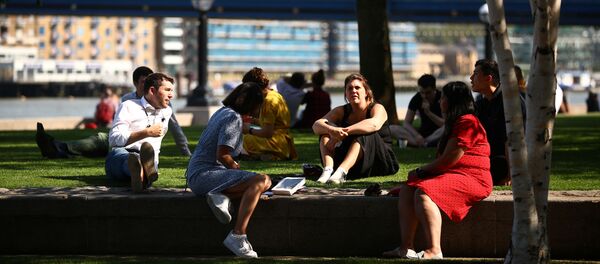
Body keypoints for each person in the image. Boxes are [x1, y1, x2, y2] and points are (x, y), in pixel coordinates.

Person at [383, 81, 492, 260]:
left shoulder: (468, 122)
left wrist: (420, 171)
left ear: (452, 102)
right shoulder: (456, 122)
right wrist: (406, 184)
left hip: (473, 178)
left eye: (443, 98)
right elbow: (444, 164)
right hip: (455, 174)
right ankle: (406, 248)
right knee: (408, 190)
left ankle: (434, 250)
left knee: (423, 193)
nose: (440, 102)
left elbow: (449, 160)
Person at [186, 82, 271, 258]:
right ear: (250, 103)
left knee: (257, 185)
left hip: (197, 175)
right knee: (263, 180)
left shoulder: (222, 112)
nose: (259, 109)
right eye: (259, 103)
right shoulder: (233, 118)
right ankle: (238, 235)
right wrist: (235, 169)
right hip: (206, 175)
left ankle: (222, 196)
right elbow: (223, 155)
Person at [35, 66, 192, 158]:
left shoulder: (163, 106)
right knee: (98, 140)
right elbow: (120, 126)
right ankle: (55, 146)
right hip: (120, 140)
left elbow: (175, 128)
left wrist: (186, 153)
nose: (146, 86)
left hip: (137, 145)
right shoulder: (127, 100)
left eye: (148, 82)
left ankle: (55, 148)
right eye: (143, 82)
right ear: (135, 83)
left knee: (98, 143)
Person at [312, 73, 399, 184]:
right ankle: (328, 170)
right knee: (325, 132)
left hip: (380, 161)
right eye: (349, 88)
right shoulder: (341, 111)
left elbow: (373, 125)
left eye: (357, 87)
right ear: (346, 94)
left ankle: (341, 173)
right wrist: (332, 131)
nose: (353, 91)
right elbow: (316, 125)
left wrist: (342, 133)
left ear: (366, 92)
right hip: (354, 163)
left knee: (365, 133)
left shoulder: (377, 108)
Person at [105, 72, 174, 193]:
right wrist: (146, 133)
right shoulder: (128, 106)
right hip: (122, 152)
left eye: (172, 91)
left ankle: (142, 173)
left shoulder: (167, 111)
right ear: (152, 90)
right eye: (167, 90)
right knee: (127, 159)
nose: (171, 95)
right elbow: (114, 139)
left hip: (150, 158)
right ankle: (141, 172)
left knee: (142, 162)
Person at [471, 59, 526, 186]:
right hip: (486, 159)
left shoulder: (510, 102)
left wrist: (511, 175)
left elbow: (512, 140)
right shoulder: (481, 103)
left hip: (503, 162)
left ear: (488, 78)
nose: (471, 77)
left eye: (476, 74)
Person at [242, 67, 297, 160]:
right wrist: (254, 121)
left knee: (246, 139)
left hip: (277, 143)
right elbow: (273, 124)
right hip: (283, 141)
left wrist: (249, 130)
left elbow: (267, 132)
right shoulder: (274, 95)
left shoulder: (268, 101)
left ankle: (260, 156)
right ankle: (262, 156)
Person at [389, 74, 443, 148]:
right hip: (422, 134)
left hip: (438, 133)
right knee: (392, 128)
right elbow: (406, 123)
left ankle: (421, 143)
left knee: (447, 128)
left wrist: (429, 113)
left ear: (434, 89)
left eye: (428, 93)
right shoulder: (417, 98)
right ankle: (424, 144)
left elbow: (445, 124)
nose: (424, 96)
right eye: (422, 92)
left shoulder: (442, 98)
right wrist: (417, 135)